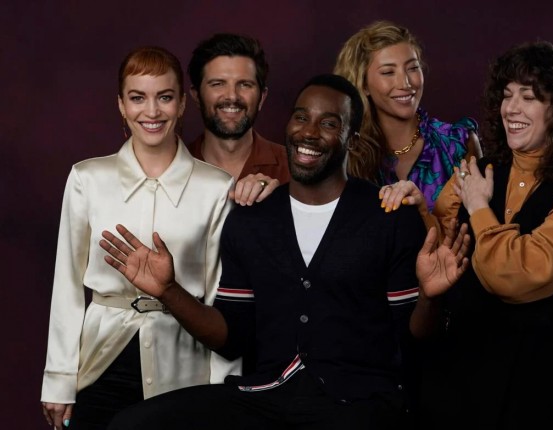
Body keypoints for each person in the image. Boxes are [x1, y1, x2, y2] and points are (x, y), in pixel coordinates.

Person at [99, 74, 470, 429]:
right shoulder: (251, 220)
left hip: (358, 402)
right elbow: (230, 339)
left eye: (329, 123)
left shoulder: (388, 216)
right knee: (134, 424)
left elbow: (414, 339)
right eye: (301, 117)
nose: (309, 132)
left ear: (352, 140)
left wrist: (431, 298)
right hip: (266, 397)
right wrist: (169, 291)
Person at [415, 41, 553, 429]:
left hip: (529, 384)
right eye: (507, 95)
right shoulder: (477, 169)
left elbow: (514, 277)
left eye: (528, 97)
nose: (511, 108)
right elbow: (436, 250)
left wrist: (479, 206)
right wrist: (415, 208)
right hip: (453, 370)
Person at [40, 46, 239, 430]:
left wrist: (226, 392)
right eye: (137, 98)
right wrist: (59, 379)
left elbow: (221, 298)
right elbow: (66, 286)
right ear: (121, 104)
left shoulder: (216, 188)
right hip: (100, 362)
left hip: (185, 367)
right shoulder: (87, 179)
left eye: (164, 97)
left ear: (182, 103)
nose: (152, 111)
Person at [334, 20, 482, 215]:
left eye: (412, 68)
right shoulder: (346, 150)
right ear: (364, 85)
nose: (405, 83)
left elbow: (482, 219)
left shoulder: (459, 143)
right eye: (388, 72)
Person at [187, 32, 290, 206]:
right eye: (218, 84)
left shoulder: (292, 169)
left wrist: (278, 200)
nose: (232, 96)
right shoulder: (172, 168)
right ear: (196, 96)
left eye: (245, 84)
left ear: (262, 97)